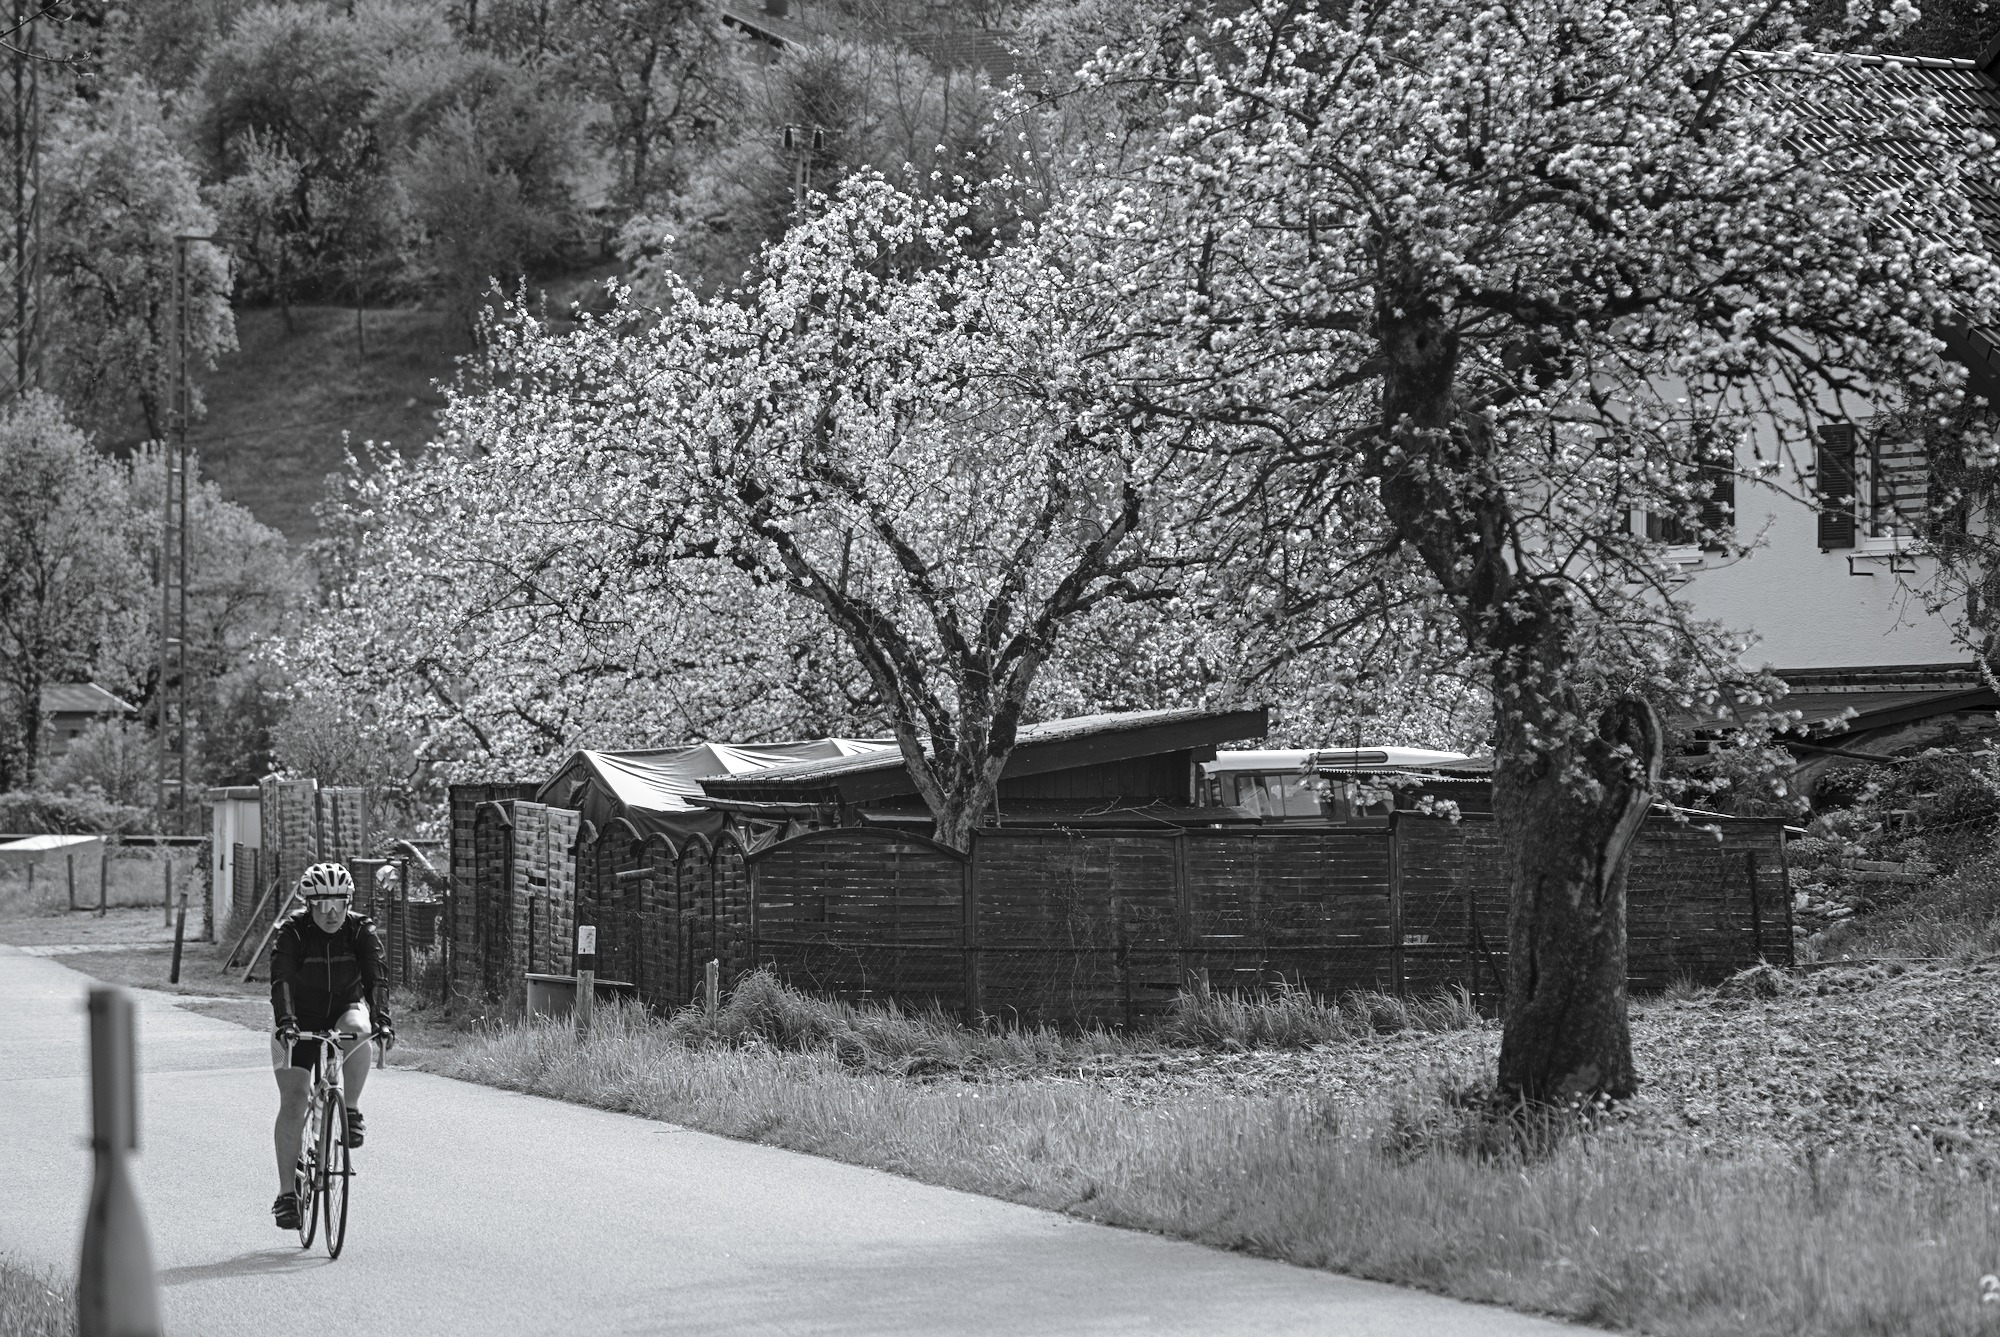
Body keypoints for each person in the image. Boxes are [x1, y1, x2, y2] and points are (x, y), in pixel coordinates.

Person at [267, 862, 394, 1231]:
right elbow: (282, 981)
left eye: (339, 903)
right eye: (321, 905)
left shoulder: (360, 930)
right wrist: (287, 1022)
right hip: (297, 1019)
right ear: (308, 905)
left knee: (359, 1027)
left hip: (343, 1008)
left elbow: (376, 976)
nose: (331, 913)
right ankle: (287, 1194)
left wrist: (383, 1017)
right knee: (293, 1100)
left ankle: (350, 1110)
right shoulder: (292, 932)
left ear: (349, 902)